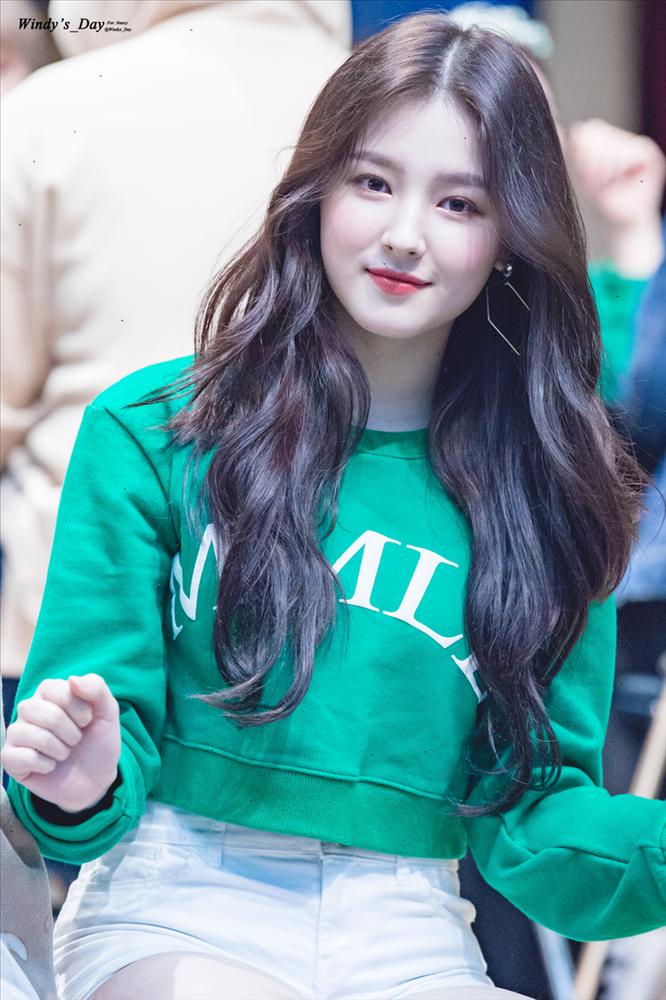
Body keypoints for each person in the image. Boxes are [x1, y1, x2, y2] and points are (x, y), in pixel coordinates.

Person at [2, 11, 665, 1000]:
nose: (404, 234)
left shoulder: (550, 496)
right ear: (315, 190)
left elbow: (535, 818)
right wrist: (78, 775)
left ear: (509, 237)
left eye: (459, 202)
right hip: (172, 899)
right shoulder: (154, 433)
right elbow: (81, 768)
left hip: (413, 928)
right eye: (372, 183)